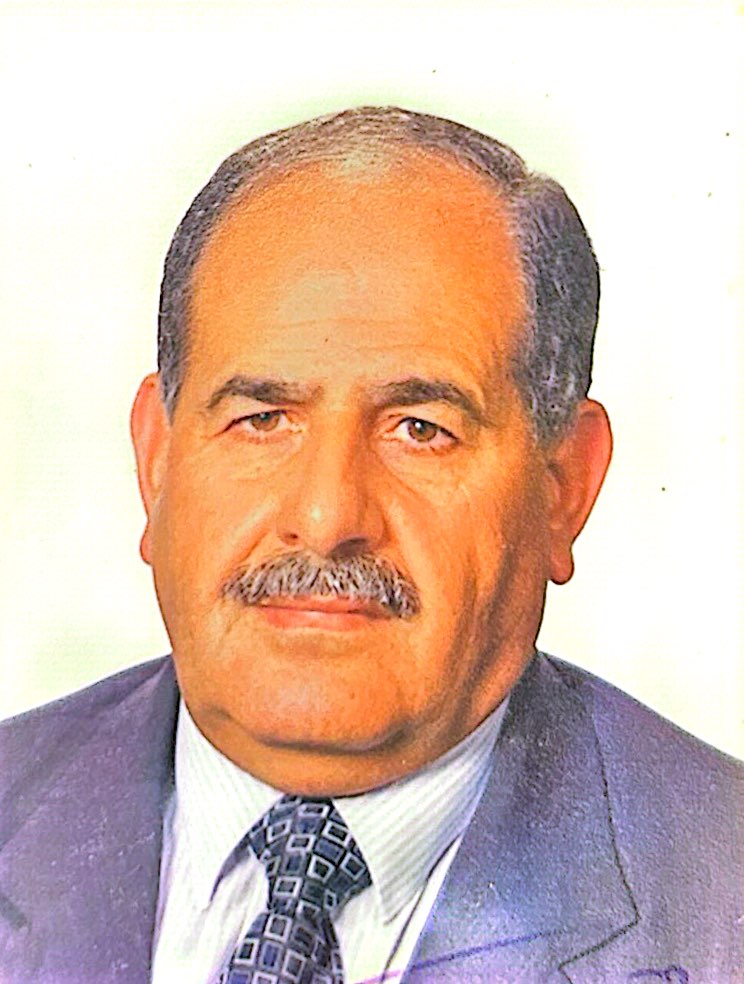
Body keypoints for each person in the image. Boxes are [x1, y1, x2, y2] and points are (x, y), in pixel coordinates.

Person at [0, 107, 741, 984]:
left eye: (420, 429)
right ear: (156, 462)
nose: (325, 518)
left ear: (563, 488)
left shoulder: (719, 891)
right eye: (262, 419)